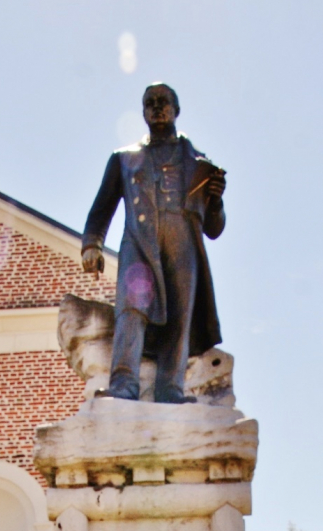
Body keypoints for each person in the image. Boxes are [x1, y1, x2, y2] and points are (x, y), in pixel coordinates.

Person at [81, 83, 226, 404]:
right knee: (131, 309)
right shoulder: (124, 159)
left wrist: (215, 201)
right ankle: (123, 384)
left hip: (183, 242)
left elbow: (214, 229)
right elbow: (102, 205)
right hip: (139, 240)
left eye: (164, 102)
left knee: (180, 312)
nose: (157, 107)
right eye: (150, 103)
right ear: (143, 111)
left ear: (177, 109)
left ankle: (170, 388)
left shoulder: (200, 164)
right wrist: (92, 242)